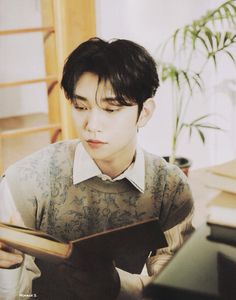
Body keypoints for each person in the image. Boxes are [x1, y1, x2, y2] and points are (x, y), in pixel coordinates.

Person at [0, 37, 194, 300]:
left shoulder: (170, 187)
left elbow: (176, 287)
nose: (91, 124)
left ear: (144, 112)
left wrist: (117, 285)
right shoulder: (26, 179)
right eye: (80, 107)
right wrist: (7, 267)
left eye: (111, 109)